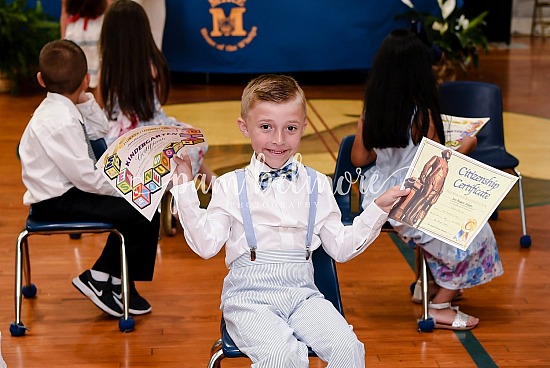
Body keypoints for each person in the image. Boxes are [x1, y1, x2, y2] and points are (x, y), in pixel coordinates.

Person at [169, 74, 410, 367]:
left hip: (302, 295)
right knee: (283, 357)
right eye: (266, 127)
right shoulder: (230, 185)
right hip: (249, 300)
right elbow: (206, 245)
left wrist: (378, 209)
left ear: (304, 127)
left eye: (291, 128)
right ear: (245, 127)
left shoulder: (318, 184)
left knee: (349, 349)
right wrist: (183, 188)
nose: (279, 140)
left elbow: (342, 248)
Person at [351, 29, 504, 330]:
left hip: (383, 197)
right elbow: (438, 162)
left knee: (441, 235)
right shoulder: (423, 115)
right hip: (417, 195)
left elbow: (359, 159)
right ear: (420, 72)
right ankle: (439, 305)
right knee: (474, 232)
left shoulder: (372, 111)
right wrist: (467, 145)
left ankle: (428, 285)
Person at [19, 39, 160, 318]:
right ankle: (100, 277)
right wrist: (130, 188)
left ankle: (116, 280)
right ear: (87, 79)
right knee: (143, 207)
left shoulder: (65, 110)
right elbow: (88, 179)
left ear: (40, 79)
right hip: (57, 201)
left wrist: (83, 97)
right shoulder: (58, 121)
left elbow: (99, 130)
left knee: (143, 206)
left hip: (69, 193)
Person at [99, 0, 215, 185]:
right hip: (154, 129)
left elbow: (104, 102)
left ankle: (204, 190)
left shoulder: (108, 66)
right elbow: (159, 98)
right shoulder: (153, 63)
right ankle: (214, 187)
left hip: (122, 138)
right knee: (185, 152)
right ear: (143, 31)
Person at [62, 0, 108, 100]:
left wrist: (63, 42)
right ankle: (96, 113)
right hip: (93, 29)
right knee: (96, 74)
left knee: (77, 76)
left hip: (77, 30)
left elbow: (64, 11)